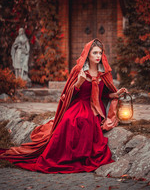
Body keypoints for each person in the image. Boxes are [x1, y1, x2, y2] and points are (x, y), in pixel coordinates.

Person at [0, 39, 128, 173]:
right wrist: (79, 82)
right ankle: (61, 156)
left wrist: (117, 94)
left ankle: (79, 156)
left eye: (100, 53)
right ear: (87, 54)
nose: (98, 56)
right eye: (95, 53)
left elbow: (105, 95)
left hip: (95, 109)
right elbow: (68, 95)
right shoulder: (78, 70)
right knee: (69, 120)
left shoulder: (104, 73)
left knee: (85, 121)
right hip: (79, 103)